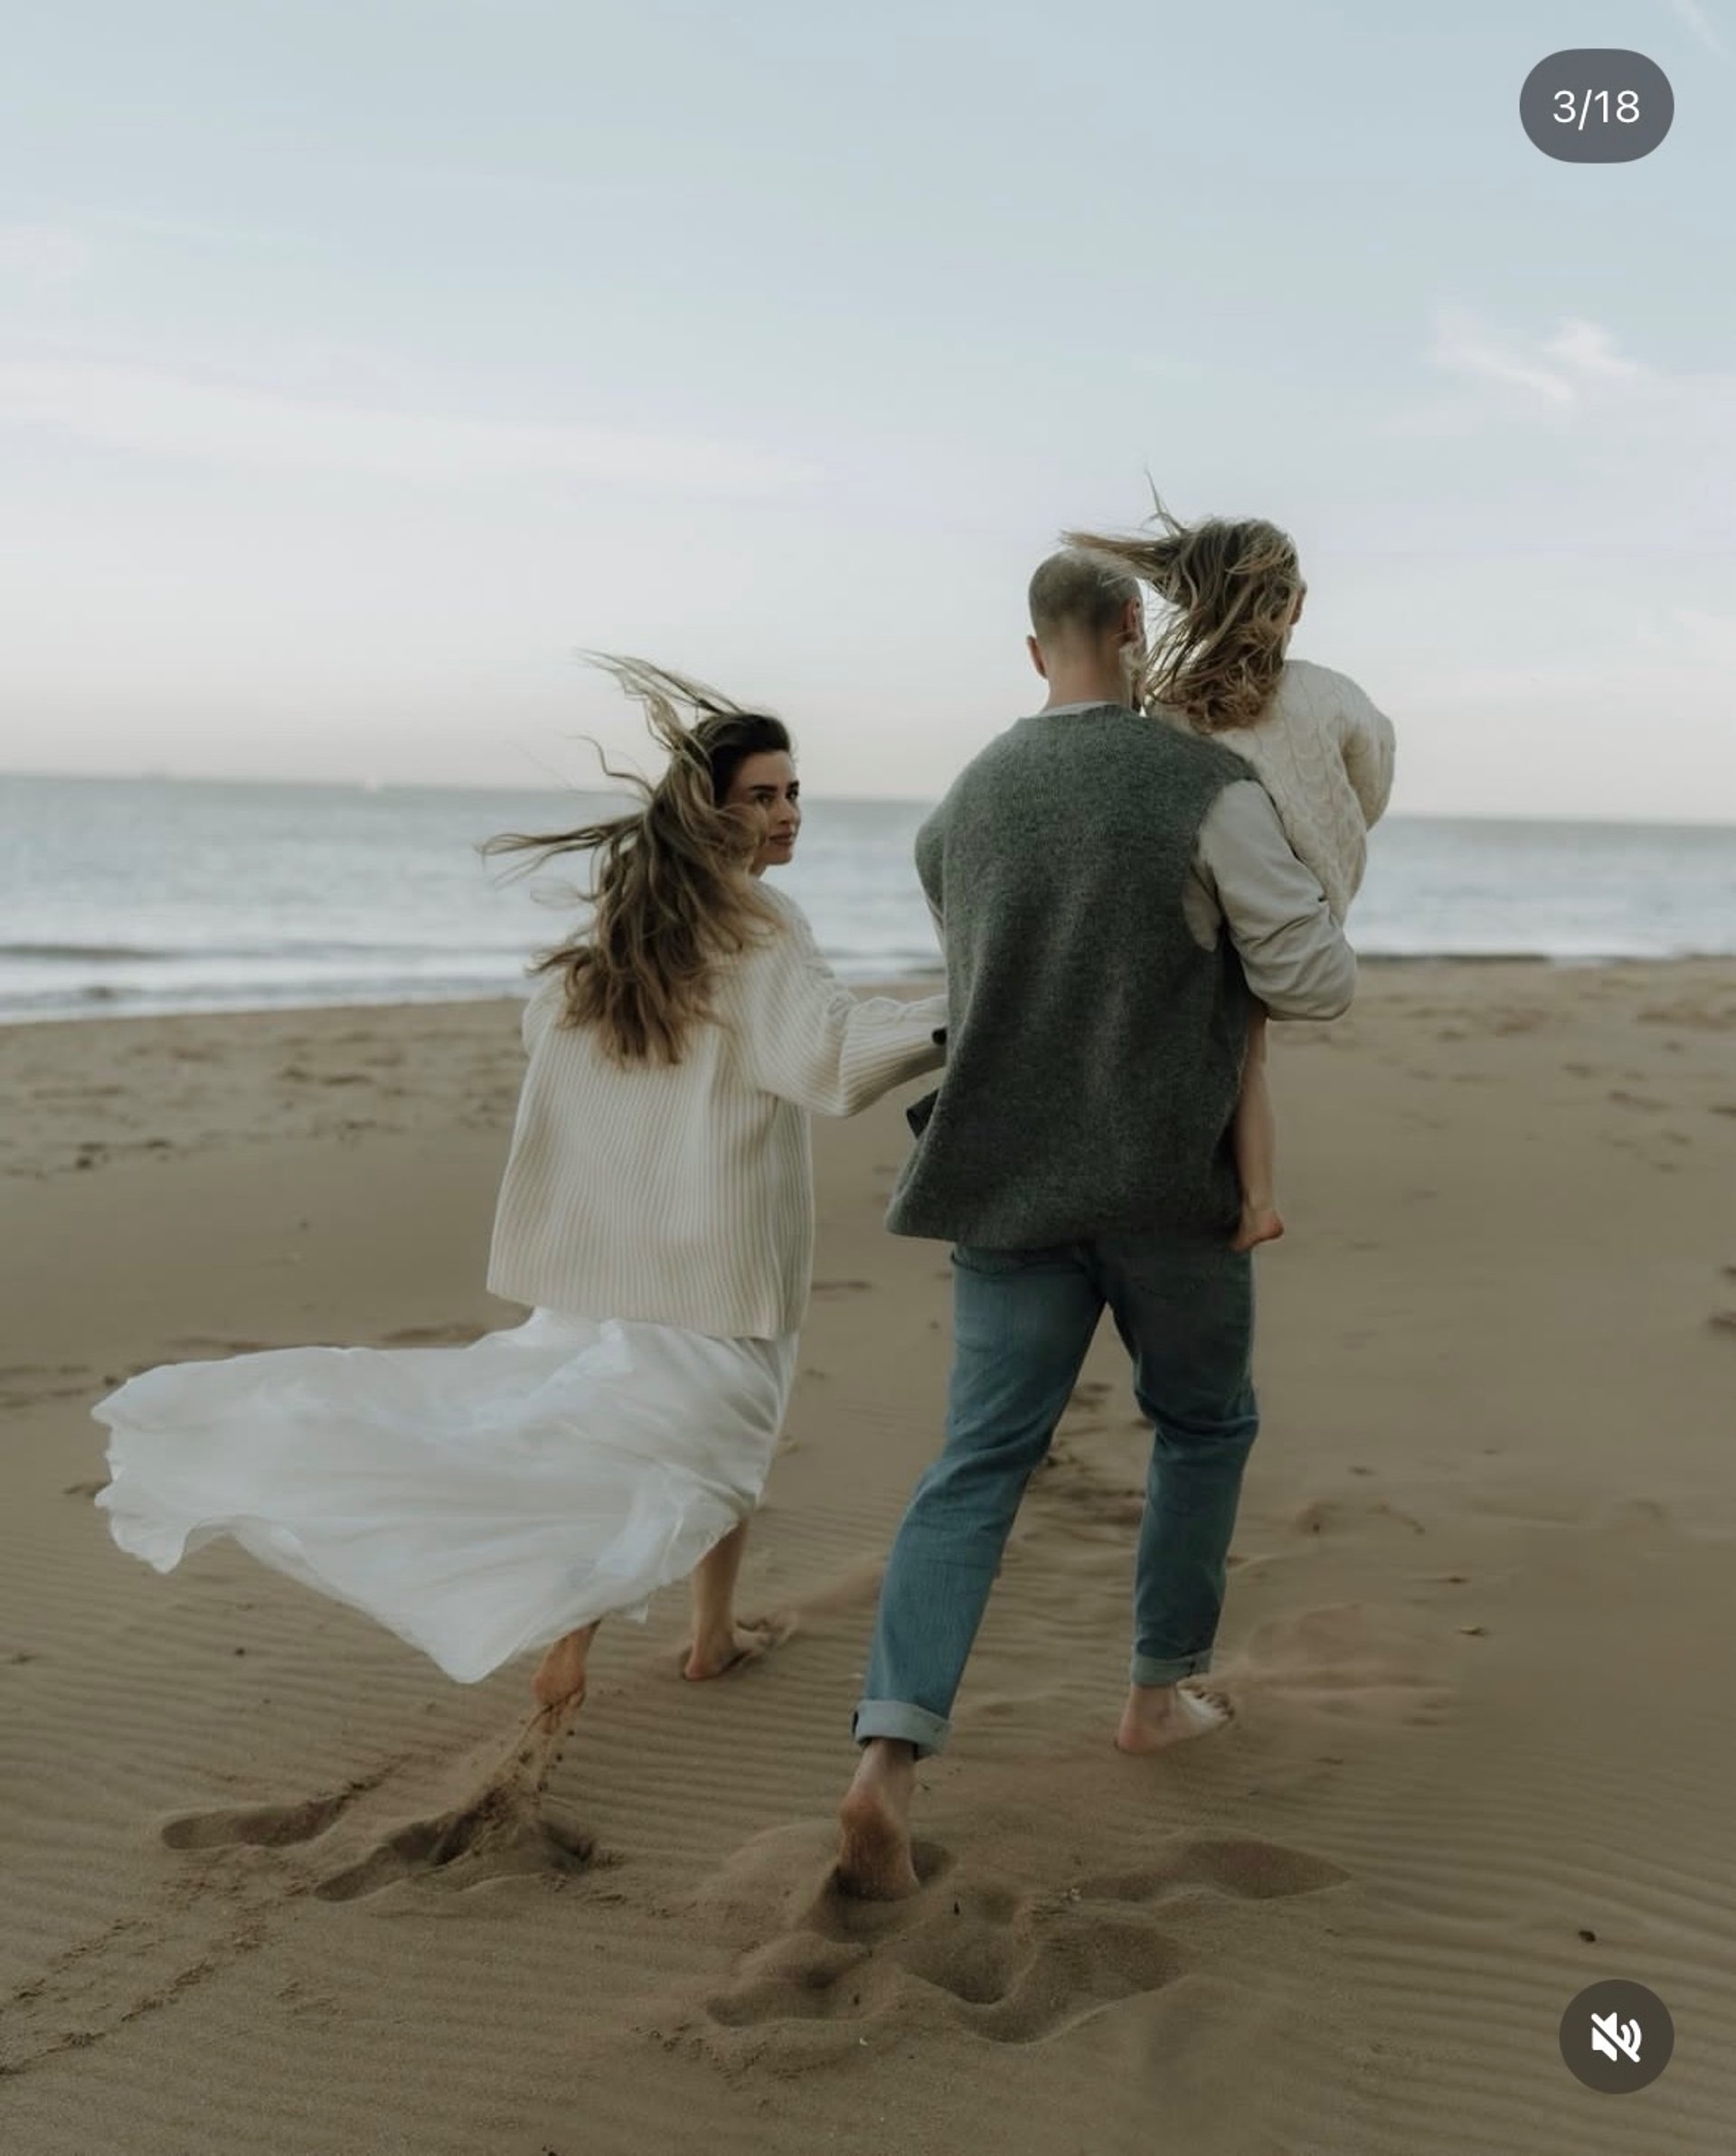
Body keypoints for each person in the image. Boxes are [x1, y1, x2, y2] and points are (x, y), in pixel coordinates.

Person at [94, 659, 947, 1759]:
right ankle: (699, 1637)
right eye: (763, 796)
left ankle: (706, 1632)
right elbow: (826, 1061)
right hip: (716, 1247)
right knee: (714, 1449)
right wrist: (960, 1008)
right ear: (711, 810)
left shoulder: (622, 924)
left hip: (607, 1253)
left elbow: (553, 1045)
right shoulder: (762, 925)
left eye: (794, 794)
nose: (788, 816)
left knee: (638, 1440)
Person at [835, 551, 1355, 1900]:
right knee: (1203, 1426)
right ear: (1136, 632)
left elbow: (999, 972)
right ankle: (1157, 1693)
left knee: (974, 1467)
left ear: (1032, 653)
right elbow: (1308, 978)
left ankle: (887, 1757)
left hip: (1004, 1189)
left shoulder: (958, 811)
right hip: (1168, 1192)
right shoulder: (1203, 786)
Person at [1065, 497, 1395, 1248]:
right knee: (1250, 1046)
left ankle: (1250, 1197)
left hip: (1209, 910)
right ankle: (1257, 1201)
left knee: (1239, 1048)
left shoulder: (1170, 708)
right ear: (1298, 607)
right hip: (1301, 899)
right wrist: (1332, 828)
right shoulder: (1332, 693)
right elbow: (1372, 777)